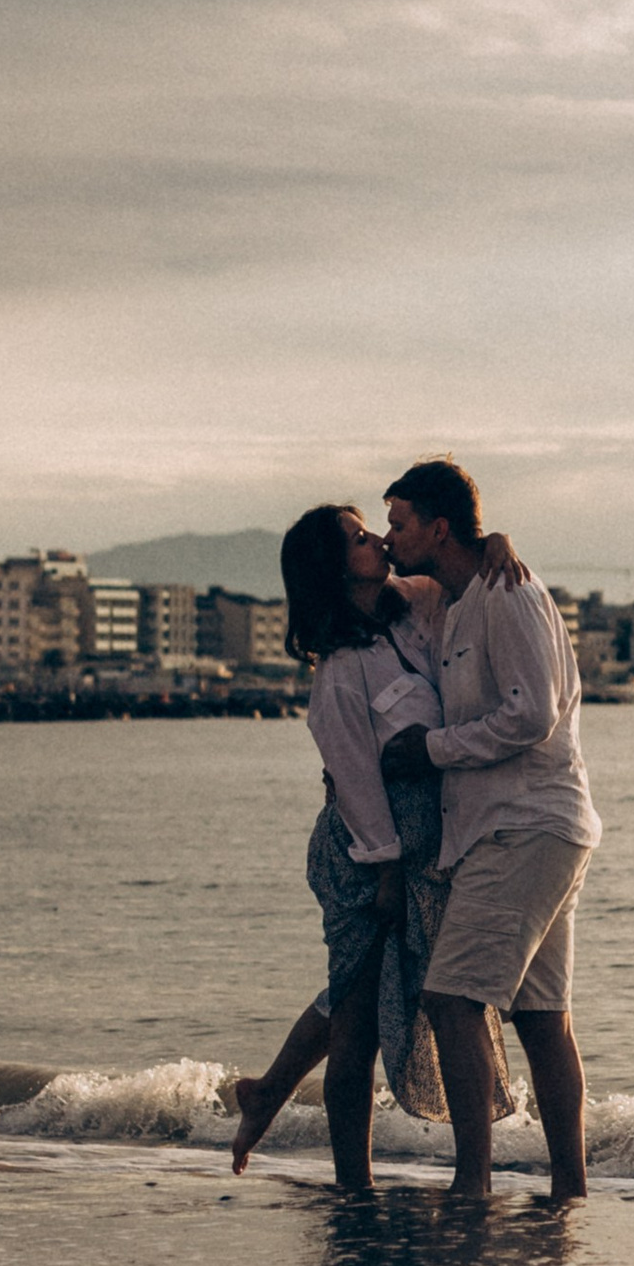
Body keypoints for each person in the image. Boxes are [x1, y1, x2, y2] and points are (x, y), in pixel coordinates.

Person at [227, 504, 510, 1188]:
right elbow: (354, 781)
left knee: (365, 993)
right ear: (334, 566)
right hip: (363, 855)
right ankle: (353, 1185)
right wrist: (384, 874)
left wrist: (491, 541)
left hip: (419, 851)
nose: (379, 539)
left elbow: (454, 580)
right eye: (359, 538)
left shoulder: (406, 610)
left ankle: (265, 1091)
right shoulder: (339, 675)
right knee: (356, 1021)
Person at [383, 457, 599, 1203]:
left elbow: (531, 714)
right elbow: (386, 589)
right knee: (541, 1016)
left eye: (399, 524)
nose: (387, 539)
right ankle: (568, 1188)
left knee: (452, 998)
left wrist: (433, 749)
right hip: (528, 826)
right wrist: (494, 537)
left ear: (439, 526)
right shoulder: (455, 597)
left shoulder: (510, 593)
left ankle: (471, 1183)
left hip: (527, 823)